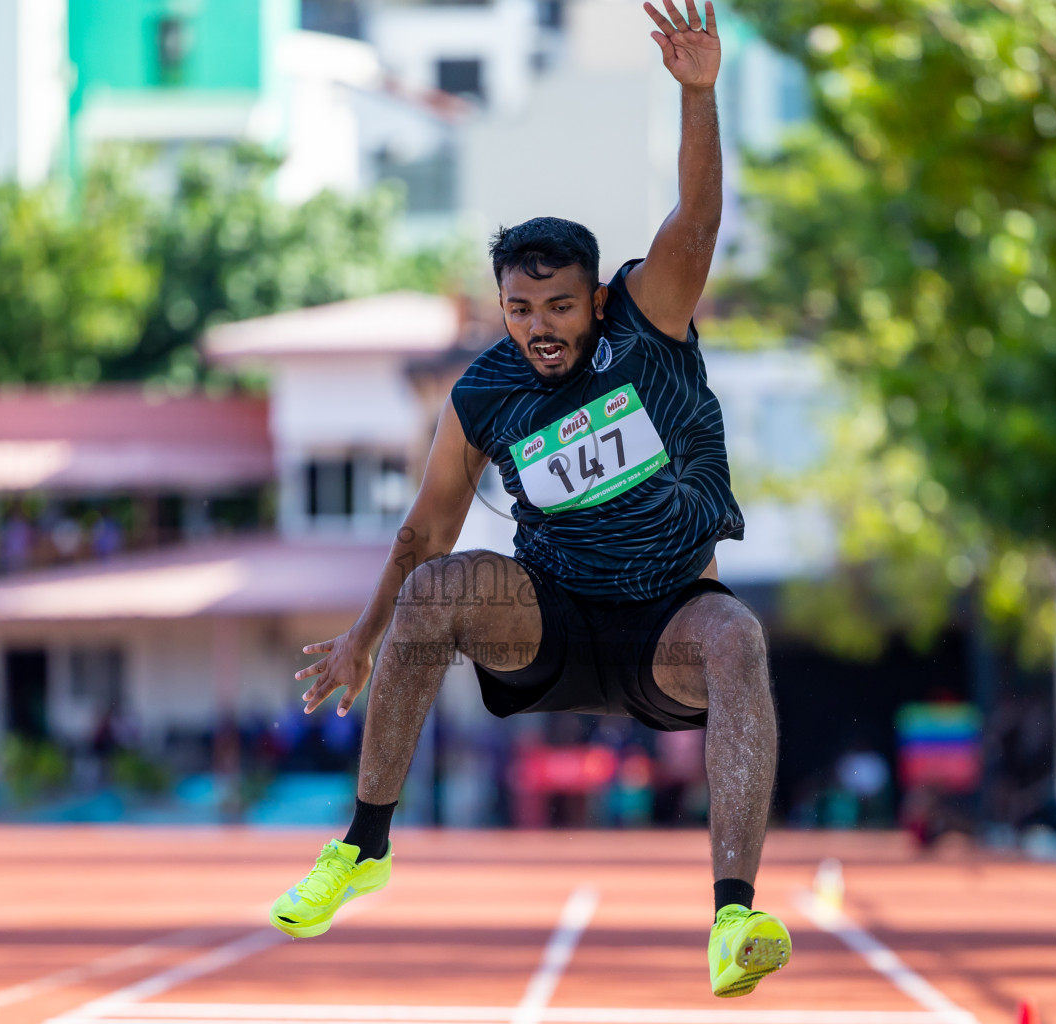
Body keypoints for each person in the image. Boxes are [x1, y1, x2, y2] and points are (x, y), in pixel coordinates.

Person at [270, 1, 790, 998]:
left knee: (741, 642)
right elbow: (424, 527)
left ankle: (732, 916)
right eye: (519, 309)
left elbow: (699, 218)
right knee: (437, 586)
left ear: (598, 300)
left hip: (665, 620)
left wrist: (698, 93)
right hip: (548, 618)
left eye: (559, 307)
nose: (540, 328)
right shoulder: (487, 393)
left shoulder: (650, 322)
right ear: (500, 305)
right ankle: (364, 844)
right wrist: (367, 634)